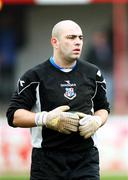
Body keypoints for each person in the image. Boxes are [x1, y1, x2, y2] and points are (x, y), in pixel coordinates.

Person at [6, 20, 110, 180]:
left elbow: (103, 108)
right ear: (55, 42)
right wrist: (46, 119)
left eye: (80, 38)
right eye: (71, 37)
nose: (78, 42)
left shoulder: (93, 73)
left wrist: (96, 120)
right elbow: (13, 115)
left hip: (86, 160)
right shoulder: (34, 76)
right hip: (47, 161)